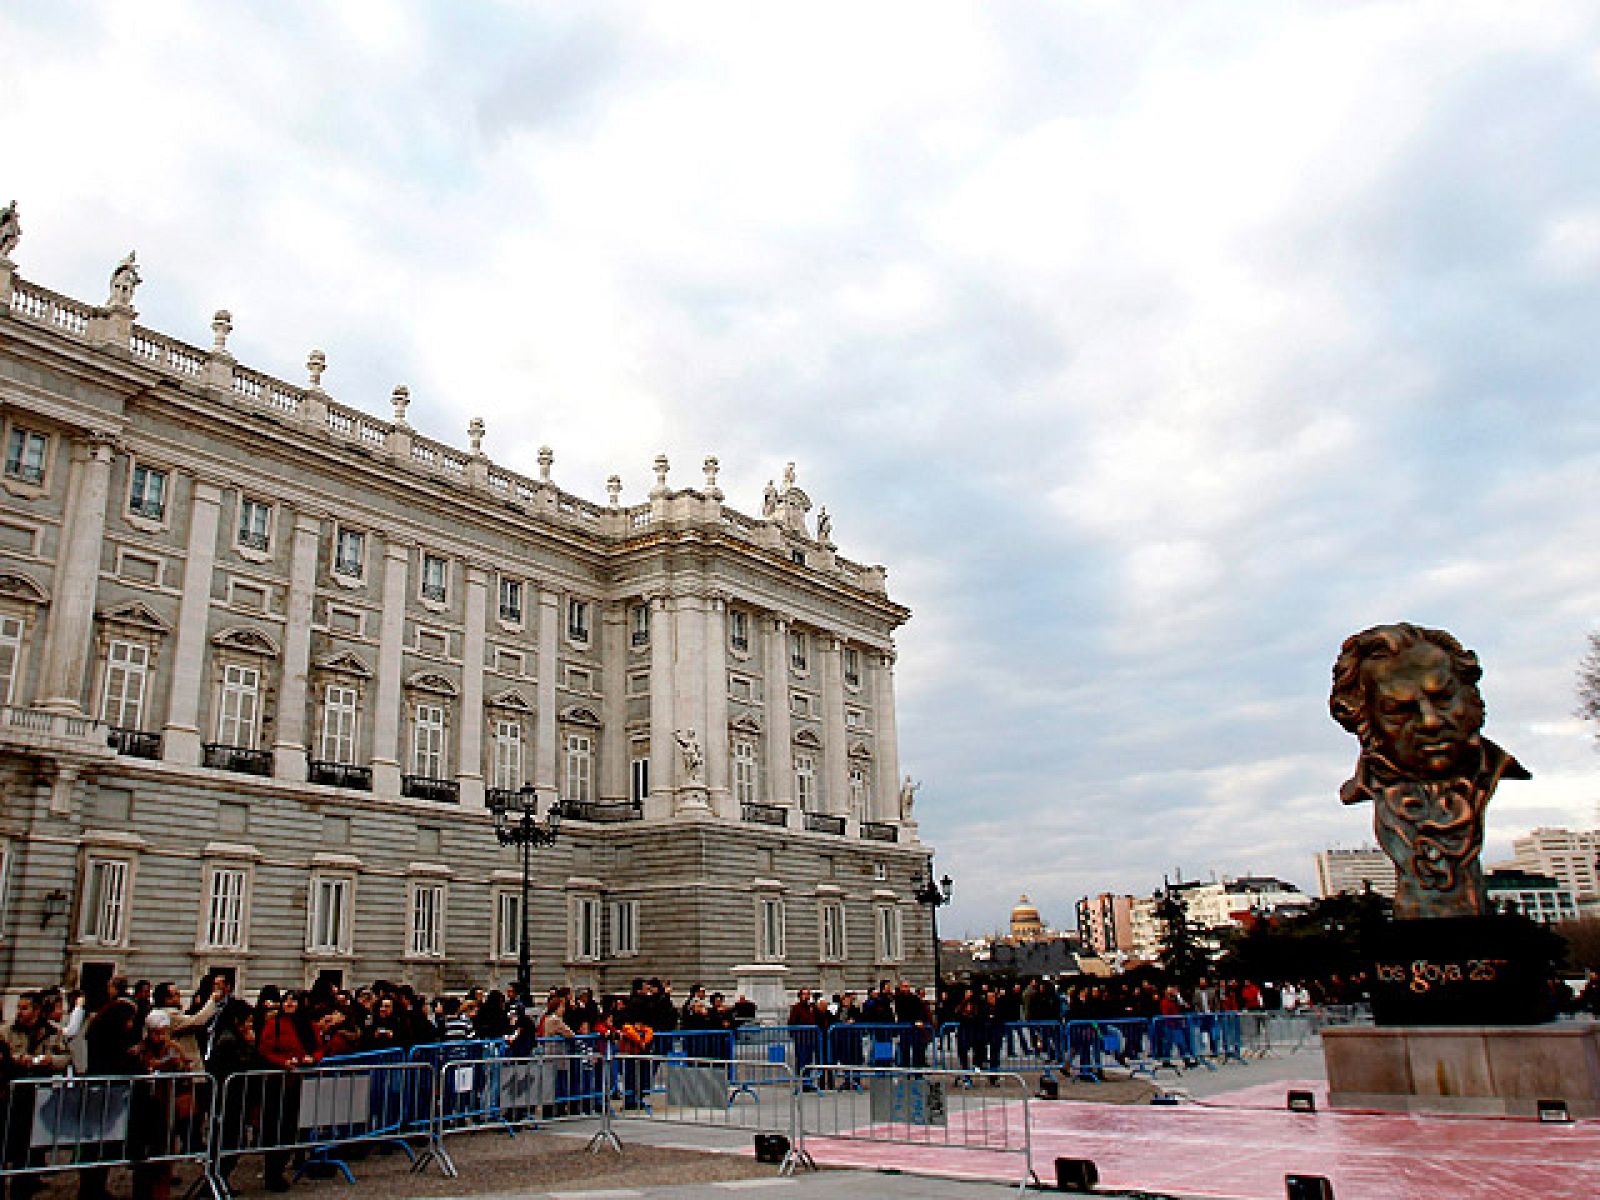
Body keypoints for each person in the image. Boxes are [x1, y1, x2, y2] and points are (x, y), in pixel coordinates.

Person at [1330, 623, 1529, 919]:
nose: (1431, 721)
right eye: (1400, 710)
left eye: (1443, 698)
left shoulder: (1492, 769)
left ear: (1471, 697)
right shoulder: (1373, 786)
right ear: (1364, 719)